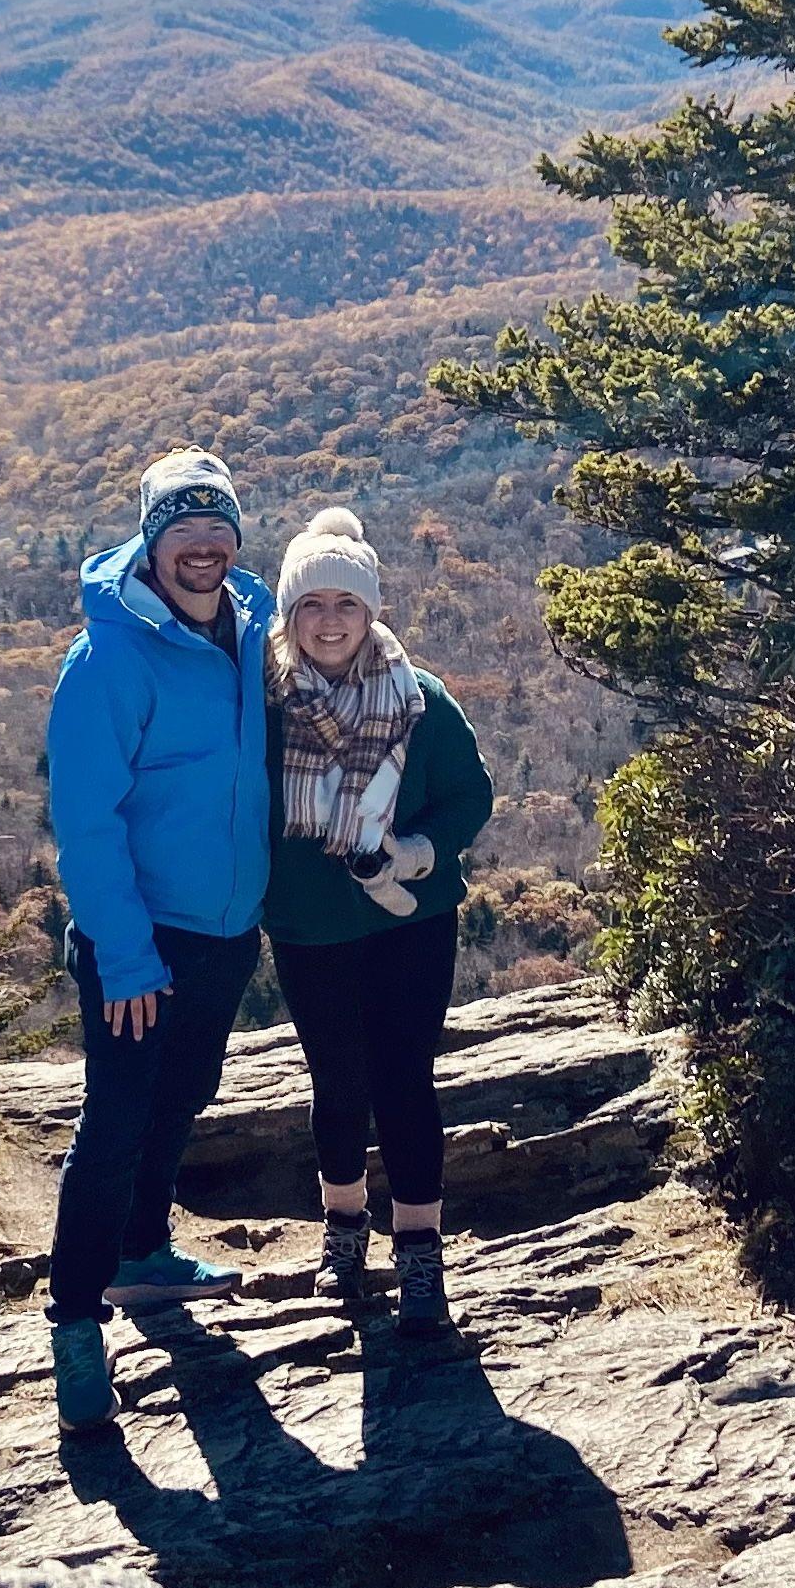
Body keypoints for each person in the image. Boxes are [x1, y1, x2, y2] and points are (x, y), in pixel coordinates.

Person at [38, 446, 272, 1431]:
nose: (204, 548)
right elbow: (86, 825)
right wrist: (128, 957)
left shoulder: (252, 628)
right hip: (140, 939)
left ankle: (140, 1255)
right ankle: (75, 1324)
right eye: (184, 531)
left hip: (226, 928)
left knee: (184, 1096)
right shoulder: (109, 658)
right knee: (117, 1121)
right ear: (151, 540)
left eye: (219, 528)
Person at [261, 504, 495, 1339]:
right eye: (312, 606)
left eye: (346, 604)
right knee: (336, 1082)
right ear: (289, 615)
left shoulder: (419, 698)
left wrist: (418, 852)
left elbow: (470, 796)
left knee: (404, 1081)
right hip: (307, 923)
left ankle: (421, 1254)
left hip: (412, 920)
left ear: (371, 611)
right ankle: (344, 1232)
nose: (330, 623)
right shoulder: (262, 706)